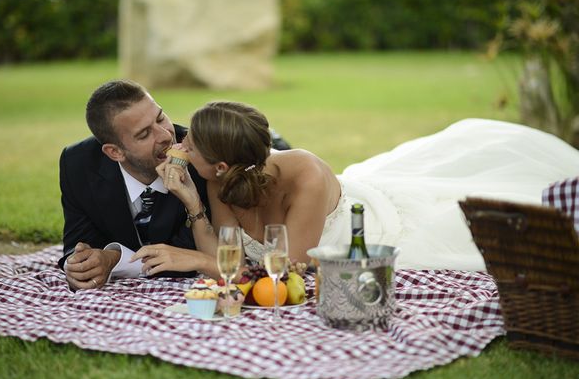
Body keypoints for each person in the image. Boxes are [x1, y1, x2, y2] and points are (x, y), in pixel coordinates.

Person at [132, 101, 579, 274]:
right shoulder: (214, 179)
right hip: (280, 236)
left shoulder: (304, 174)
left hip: (371, 228)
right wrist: (191, 201)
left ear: (224, 164)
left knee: (480, 220)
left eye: (190, 144)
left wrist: (189, 258)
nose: (180, 145)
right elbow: (226, 253)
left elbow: (287, 272)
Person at [58, 79, 213, 290]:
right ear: (115, 152)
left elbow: (189, 251)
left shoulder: (202, 157)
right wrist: (79, 265)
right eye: (144, 134)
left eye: (160, 118)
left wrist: (115, 259)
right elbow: (78, 240)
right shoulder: (78, 163)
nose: (166, 135)